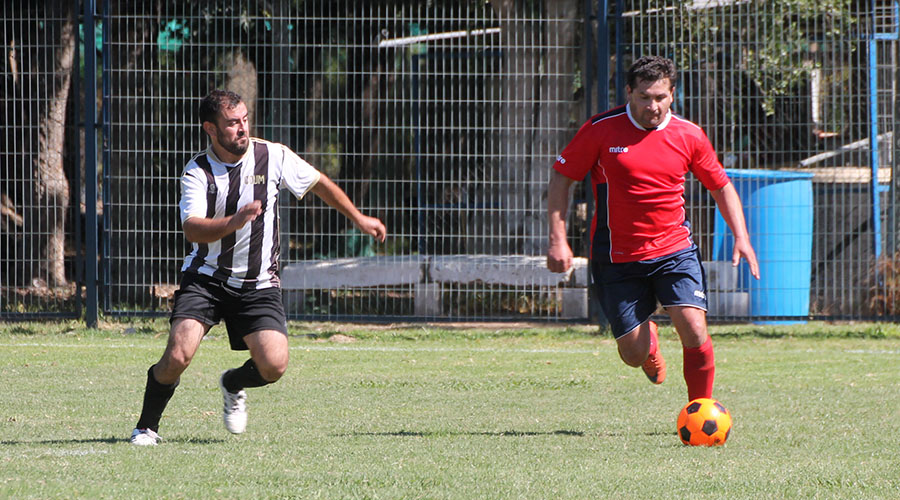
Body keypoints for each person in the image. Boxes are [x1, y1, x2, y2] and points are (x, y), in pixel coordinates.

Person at [130, 89, 386, 445]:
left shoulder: (273, 155)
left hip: (259, 284)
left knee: (274, 365)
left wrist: (358, 218)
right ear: (211, 128)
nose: (242, 128)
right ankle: (146, 427)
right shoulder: (197, 172)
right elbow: (191, 227)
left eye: (245, 119)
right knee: (177, 355)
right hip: (207, 278)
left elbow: (318, 183)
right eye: (232, 123)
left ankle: (233, 383)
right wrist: (234, 221)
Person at [546, 55, 759, 402]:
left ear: (672, 94)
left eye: (660, 97)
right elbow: (562, 177)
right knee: (632, 354)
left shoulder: (689, 135)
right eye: (644, 97)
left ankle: (699, 409)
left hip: (674, 250)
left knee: (693, 327)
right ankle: (648, 344)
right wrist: (558, 239)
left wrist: (742, 237)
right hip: (617, 256)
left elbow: (720, 185)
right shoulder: (601, 129)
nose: (653, 106)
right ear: (629, 92)